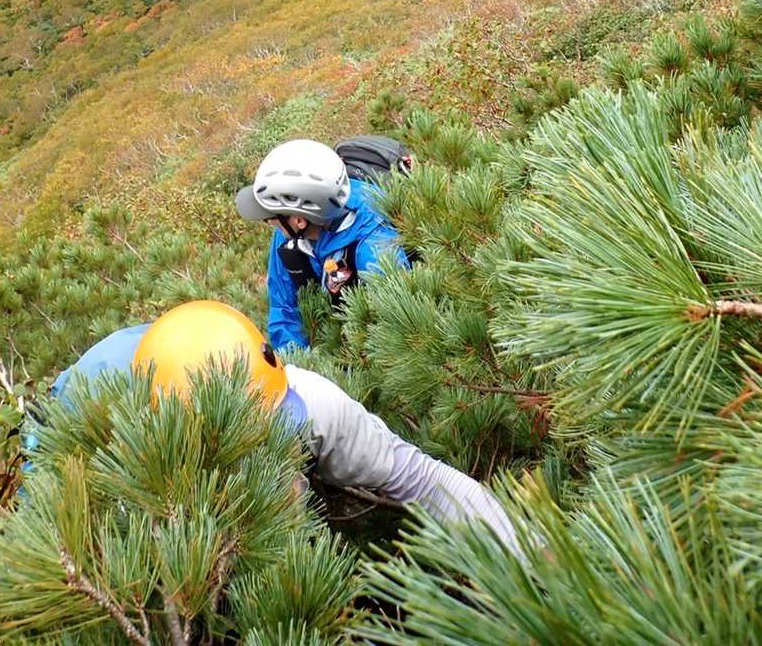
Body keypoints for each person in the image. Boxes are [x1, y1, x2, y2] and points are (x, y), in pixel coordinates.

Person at [50, 300, 518, 550]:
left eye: (274, 428)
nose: (271, 450)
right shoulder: (119, 467)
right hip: (93, 413)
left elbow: (422, 479)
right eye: (247, 446)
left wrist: (531, 553)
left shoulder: (308, 402)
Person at [233, 138, 410, 350]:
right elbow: (284, 309)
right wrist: (298, 363)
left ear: (300, 220)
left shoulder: (375, 250)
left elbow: (399, 334)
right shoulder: (290, 233)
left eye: (270, 217)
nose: (270, 222)